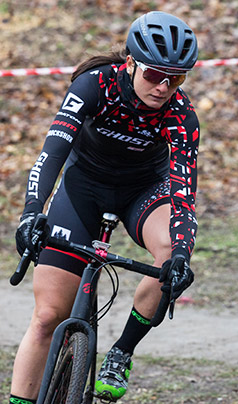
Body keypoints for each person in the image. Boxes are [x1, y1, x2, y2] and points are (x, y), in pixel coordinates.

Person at [10, 11, 199, 404]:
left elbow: (183, 194)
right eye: (153, 75)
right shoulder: (94, 85)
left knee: (170, 252)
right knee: (47, 318)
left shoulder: (181, 115)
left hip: (142, 192)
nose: (163, 87)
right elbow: (52, 154)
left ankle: (122, 351)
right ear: (130, 64)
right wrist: (31, 211)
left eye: (175, 78)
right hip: (84, 188)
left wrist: (181, 252)